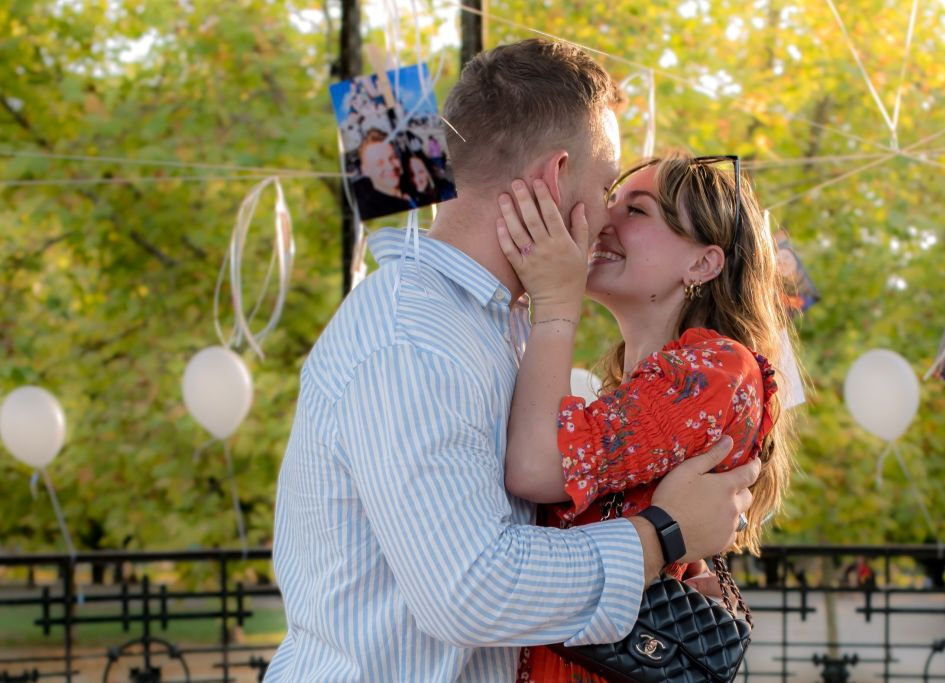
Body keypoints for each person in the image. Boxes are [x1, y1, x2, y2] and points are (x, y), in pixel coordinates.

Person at [265, 39, 761, 682]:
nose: (608, 213)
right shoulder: (414, 338)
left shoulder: (498, 328)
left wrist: (662, 582)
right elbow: (471, 591)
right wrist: (660, 536)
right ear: (556, 176)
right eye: (607, 184)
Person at [492, 155, 796, 681]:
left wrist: (555, 304)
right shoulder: (639, 388)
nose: (604, 220)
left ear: (703, 263)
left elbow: (534, 468)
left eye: (637, 210)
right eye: (610, 201)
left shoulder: (718, 370)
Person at [352, 128, 414, 219]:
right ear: (365, 170)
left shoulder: (413, 185)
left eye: (392, 158)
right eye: (379, 163)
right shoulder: (373, 213)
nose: (390, 166)